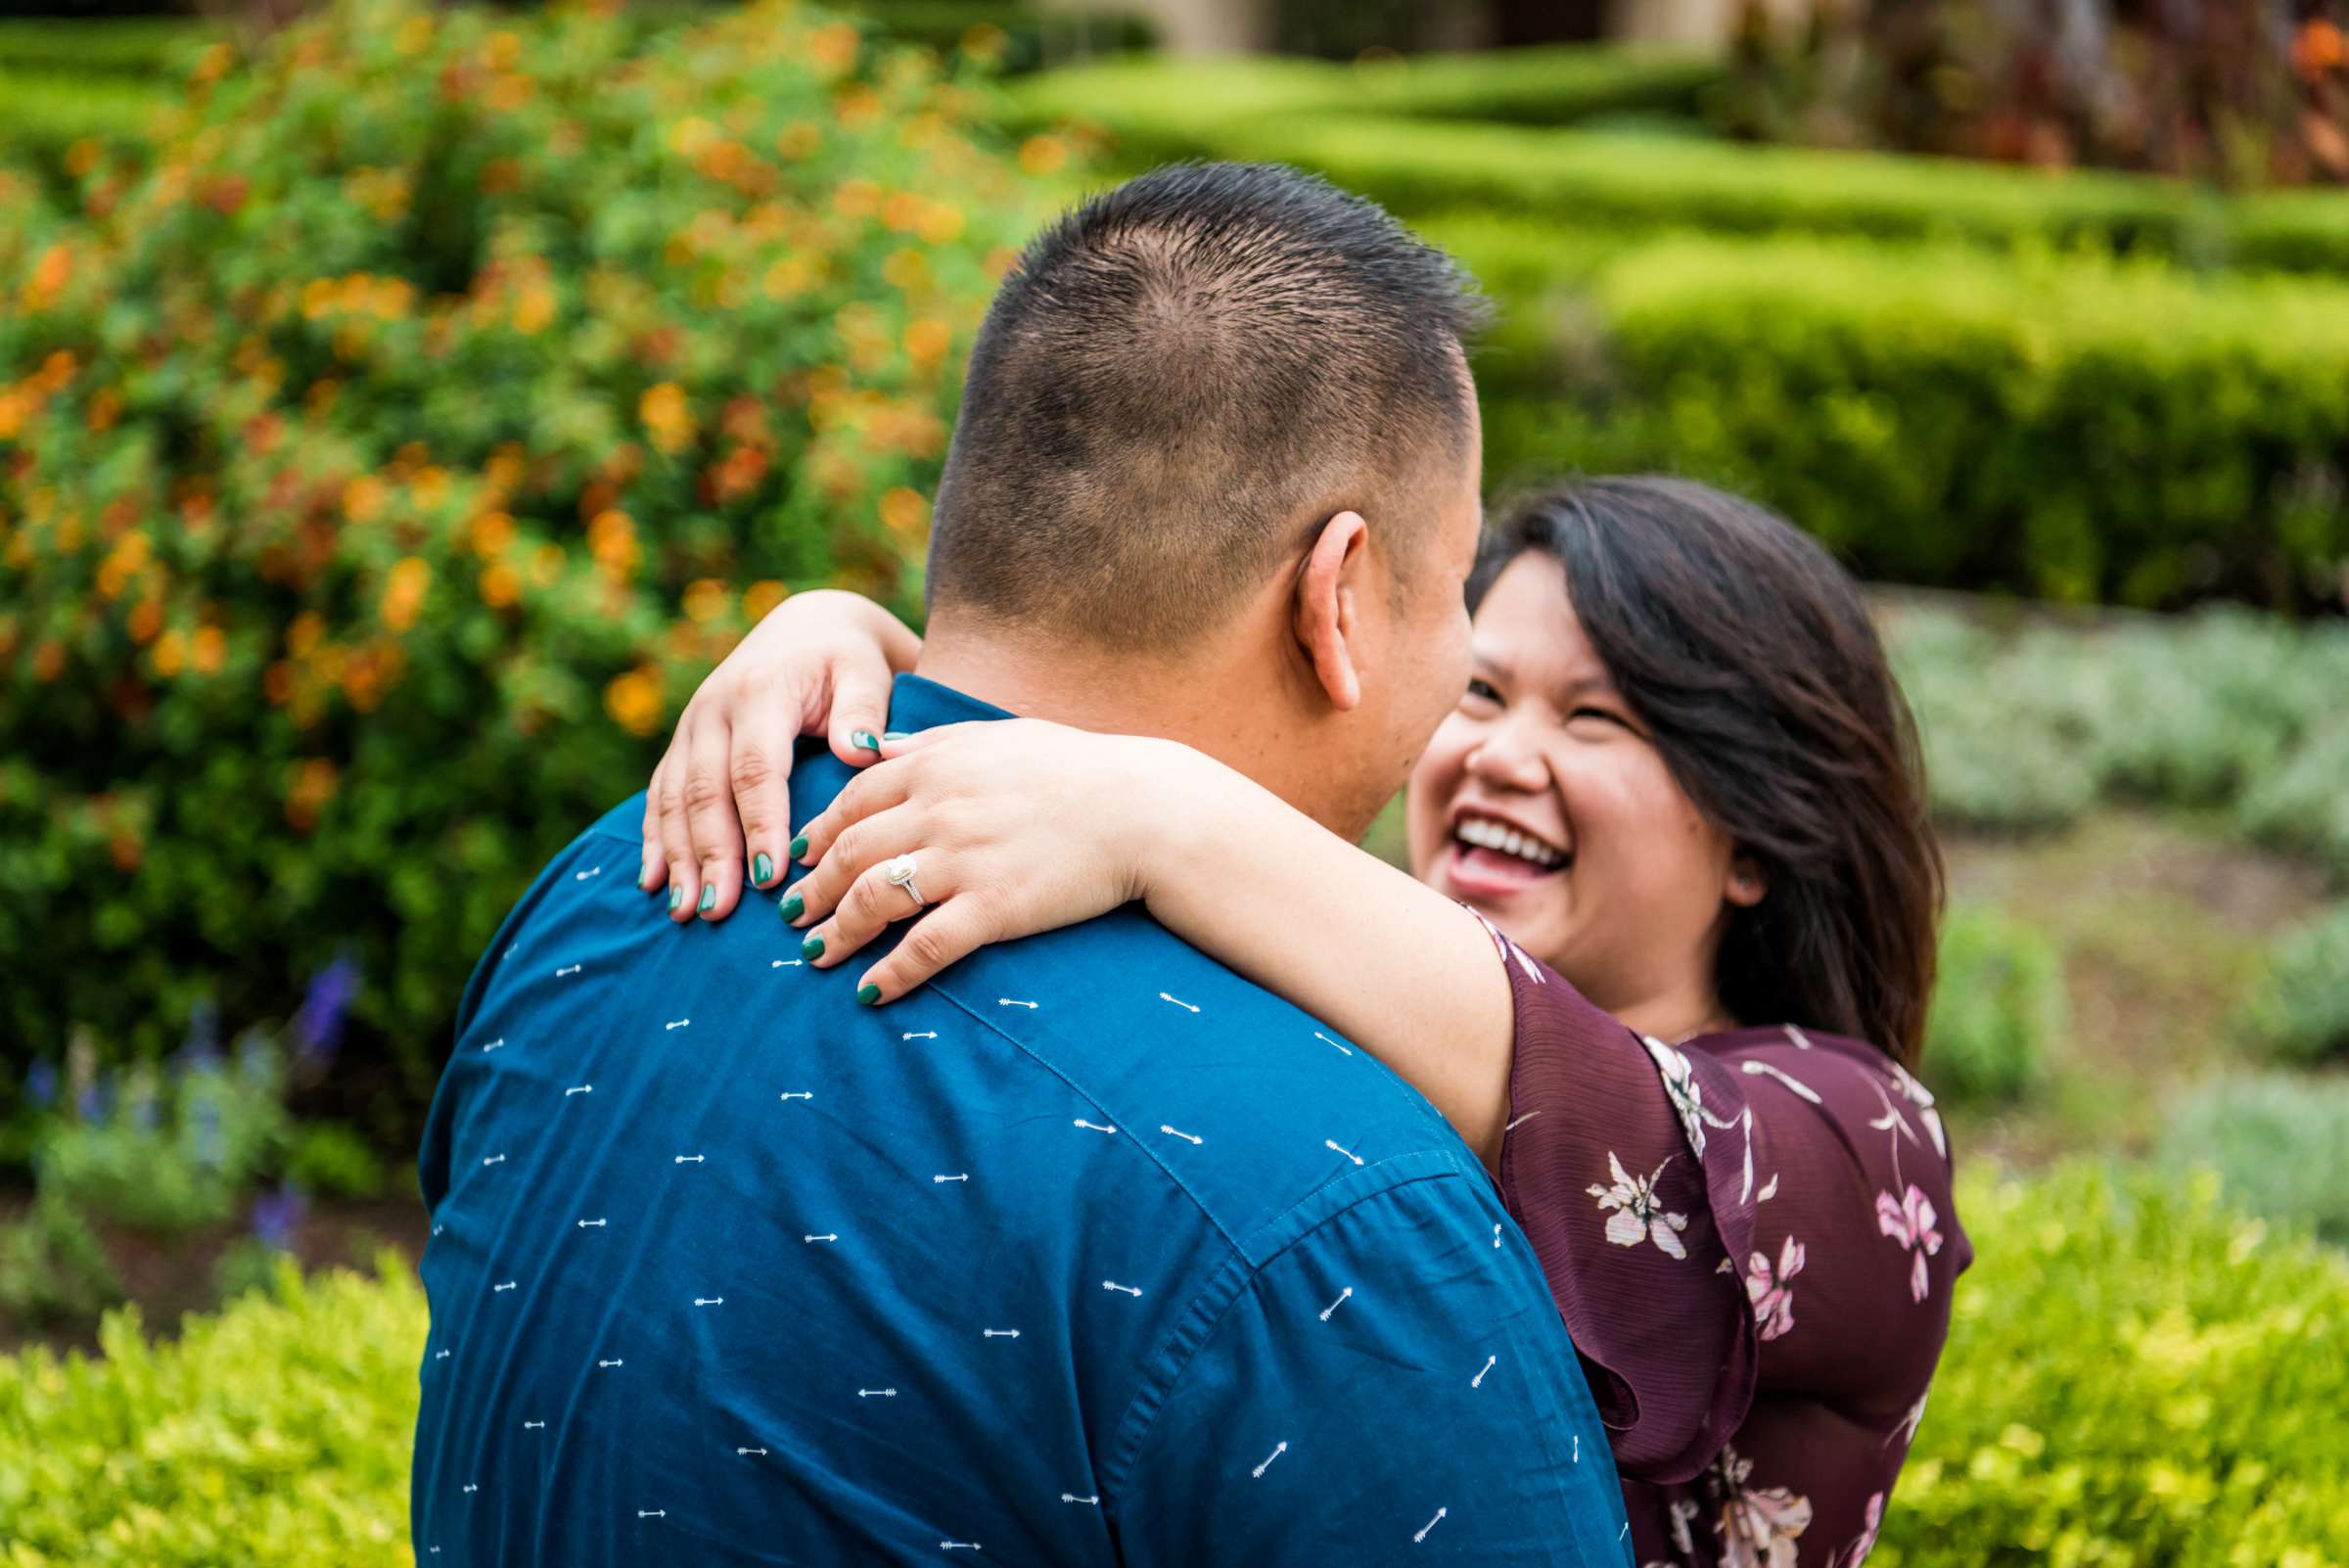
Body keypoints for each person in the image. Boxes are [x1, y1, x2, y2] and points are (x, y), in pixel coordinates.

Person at [413, 161, 1633, 1567]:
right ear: (1339, 595)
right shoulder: (1337, 1204)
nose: (1466, 659)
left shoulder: (597, 900)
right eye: (1458, 585)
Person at [644, 477, 1974, 1568]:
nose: (1505, 754)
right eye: (1482, 692)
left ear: (1755, 832)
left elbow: (1619, 1135)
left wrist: (1162, 808)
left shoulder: (1864, 1146)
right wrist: (864, 662)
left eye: (1600, 718)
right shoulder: (1337, 983)